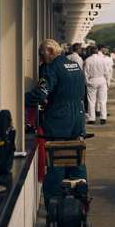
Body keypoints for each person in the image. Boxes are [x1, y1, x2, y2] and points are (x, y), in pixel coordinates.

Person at [25, 39, 86, 206]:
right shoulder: (75, 66)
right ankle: (80, 199)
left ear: (50, 52)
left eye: (41, 54)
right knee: (76, 158)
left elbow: (41, 94)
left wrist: (18, 98)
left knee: (56, 161)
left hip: (59, 120)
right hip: (77, 119)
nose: (40, 58)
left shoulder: (52, 69)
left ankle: (54, 203)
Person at [83, 46, 111, 125]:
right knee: (103, 100)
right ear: (97, 51)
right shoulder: (103, 59)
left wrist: (87, 82)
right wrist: (107, 82)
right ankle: (103, 118)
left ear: (90, 52)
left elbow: (85, 73)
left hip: (92, 80)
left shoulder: (88, 60)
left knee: (91, 100)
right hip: (102, 79)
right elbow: (107, 72)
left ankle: (92, 118)